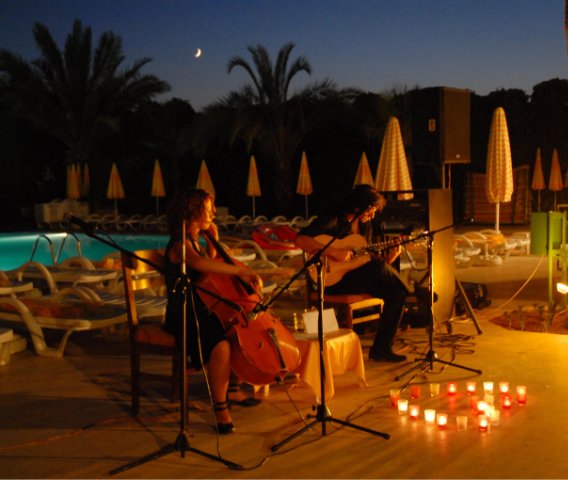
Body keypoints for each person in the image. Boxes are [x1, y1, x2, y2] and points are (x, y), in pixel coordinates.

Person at [163, 188, 261, 434]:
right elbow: (198, 264)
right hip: (183, 314)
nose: (213, 213)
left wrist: (213, 245)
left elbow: (207, 269)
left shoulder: (195, 241)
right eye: (208, 209)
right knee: (221, 345)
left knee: (239, 333)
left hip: (202, 309)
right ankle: (220, 408)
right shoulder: (180, 243)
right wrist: (241, 271)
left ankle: (234, 389)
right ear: (192, 212)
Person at [296, 184, 409, 363]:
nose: (372, 216)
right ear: (358, 207)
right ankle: (412, 290)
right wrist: (333, 251)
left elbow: (364, 262)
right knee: (378, 267)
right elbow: (301, 239)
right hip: (332, 281)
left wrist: (389, 258)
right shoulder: (334, 219)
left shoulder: (365, 227)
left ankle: (381, 349)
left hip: (356, 278)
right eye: (370, 211)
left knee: (397, 293)